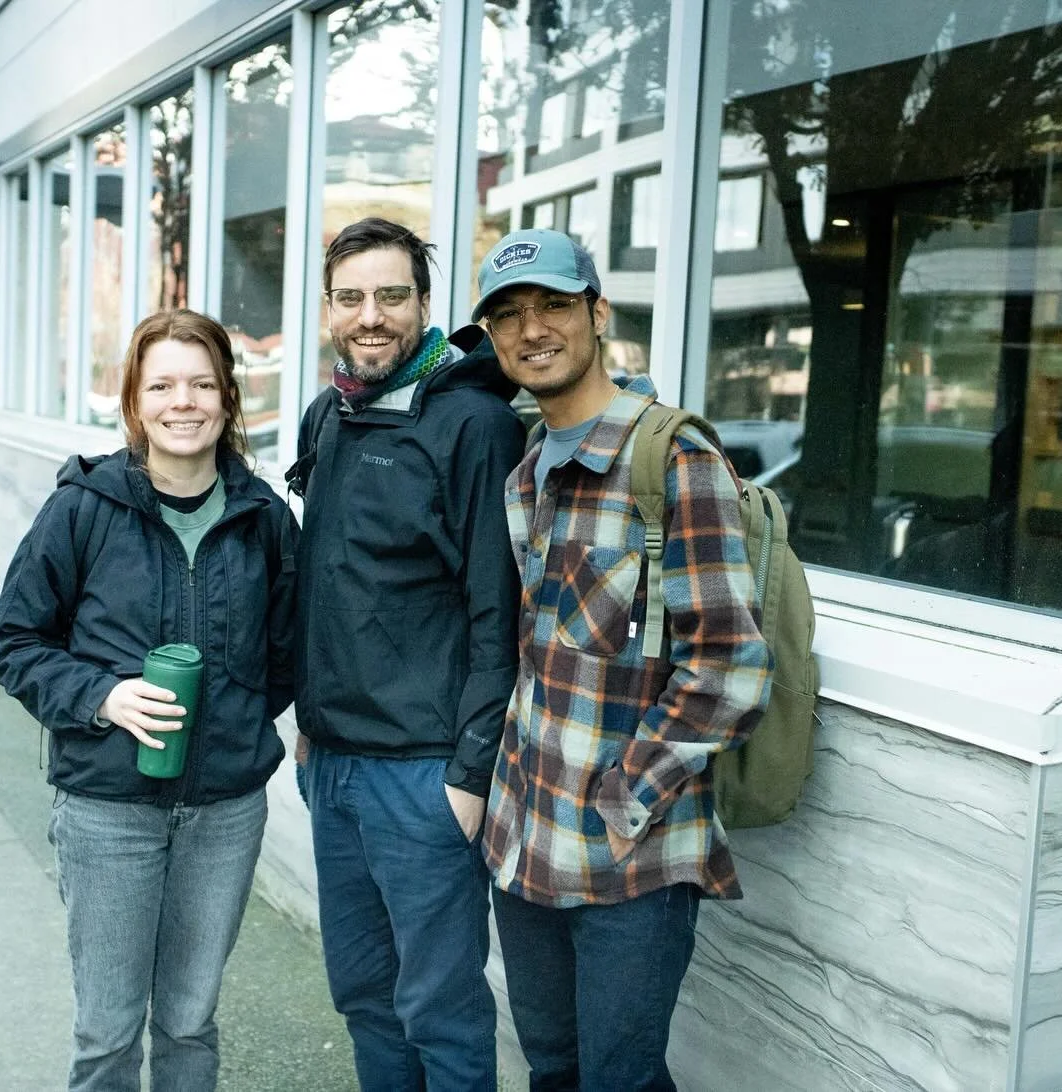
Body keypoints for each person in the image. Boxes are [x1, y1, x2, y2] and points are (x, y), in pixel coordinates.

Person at [473, 229, 773, 1092]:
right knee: (554, 1069)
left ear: (598, 314)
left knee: (620, 1078)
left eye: (554, 305)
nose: (532, 329)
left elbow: (729, 666)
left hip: (629, 857)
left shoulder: (673, 459)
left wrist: (626, 793)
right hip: (524, 846)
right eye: (509, 315)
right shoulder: (525, 477)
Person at [0, 309, 298, 1092]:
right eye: (161, 384)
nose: (180, 401)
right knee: (109, 1033)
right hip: (109, 810)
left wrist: (234, 724)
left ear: (228, 398)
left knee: (190, 1023)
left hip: (224, 812)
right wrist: (103, 697)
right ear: (134, 400)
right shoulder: (83, 508)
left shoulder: (263, 519)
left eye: (199, 383)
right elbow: (12, 641)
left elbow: (288, 655)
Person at [286, 217, 524, 1091]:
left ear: (424, 304)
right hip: (335, 766)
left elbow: (498, 611)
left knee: (440, 1007)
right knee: (363, 994)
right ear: (329, 309)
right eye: (351, 298)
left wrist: (469, 771)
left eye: (391, 295)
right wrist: (310, 721)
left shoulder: (473, 423)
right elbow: (329, 580)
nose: (370, 315)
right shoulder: (330, 414)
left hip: (424, 778)